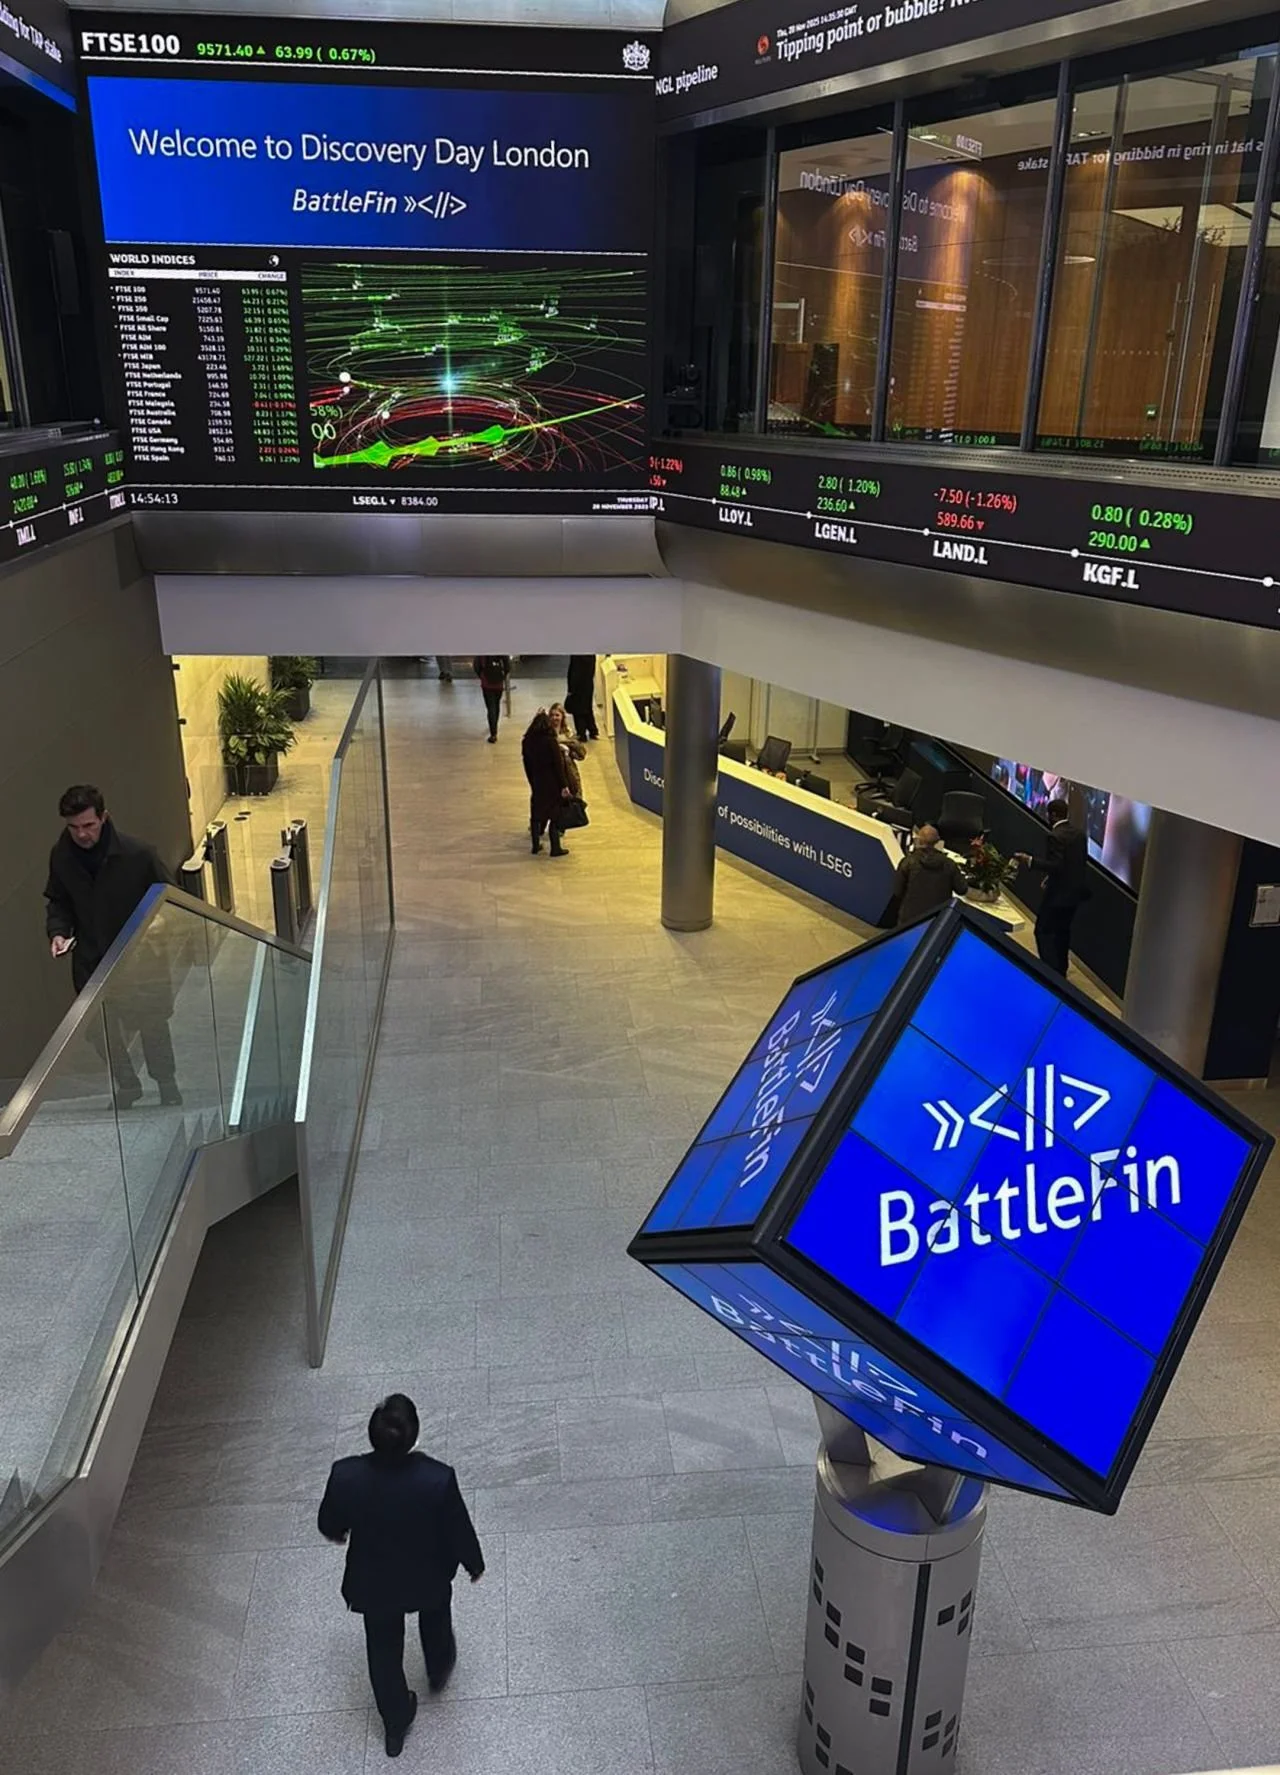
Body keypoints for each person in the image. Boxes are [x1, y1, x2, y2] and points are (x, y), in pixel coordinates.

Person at [318, 1394, 484, 1760]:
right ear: (414, 1436)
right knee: (436, 1619)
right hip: (428, 1575)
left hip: (373, 1582)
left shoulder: (346, 1475)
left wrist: (340, 1533)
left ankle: (395, 1722)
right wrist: (474, 1564)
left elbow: (330, 1524)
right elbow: (457, 1528)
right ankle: (438, 1669)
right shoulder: (437, 1479)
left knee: (382, 1649)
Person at [44, 784, 180, 1107]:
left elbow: (170, 897)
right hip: (92, 957)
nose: (82, 834)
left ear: (104, 817)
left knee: (151, 1022)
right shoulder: (62, 856)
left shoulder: (138, 854)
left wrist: (159, 924)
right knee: (98, 1029)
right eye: (74, 827)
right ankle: (128, 1084)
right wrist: (58, 932)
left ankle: (166, 1083)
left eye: (88, 825)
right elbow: (58, 900)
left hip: (139, 956)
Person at [1016, 797, 1089, 977]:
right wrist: (1050, 878)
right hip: (1074, 895)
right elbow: (1073, 865)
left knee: (1043, 931)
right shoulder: (1079, 835)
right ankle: (1061, 971)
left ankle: (1048, 972)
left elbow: (1056, 865)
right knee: (1063, 932)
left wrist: (1030, 860)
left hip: (1057, 896)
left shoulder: (1055, 836)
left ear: (1053, 815)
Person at [889, 824, 969, 926]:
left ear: (918, 840)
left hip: (908, 919)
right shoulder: (949, 864)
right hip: (937, 919)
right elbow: (962, 889)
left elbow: (897, 891)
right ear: (938, 841)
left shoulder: (908, 862)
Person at [522, 708, 572, 857]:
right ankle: (555, 848)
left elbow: (526, 764)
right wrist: (564, 785)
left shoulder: (527, 742)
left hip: (537, 782)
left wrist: (532, 781)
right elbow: (558, 765)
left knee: (536, 814)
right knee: (554, 815)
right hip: (552, 783)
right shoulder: (550, 741)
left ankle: (535, 845)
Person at [548, 702, 586, 799]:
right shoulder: (547, 733)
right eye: (552, 715)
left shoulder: (568, 733)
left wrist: (567, 748)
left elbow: (581, 754)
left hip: (569, 772)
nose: (554, 718)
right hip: (553, 774)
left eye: (557, 715)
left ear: (562, 717)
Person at [473, 656, 510, 743]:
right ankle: (494, 727)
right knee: (496, 705)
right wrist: (502, 676)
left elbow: (476, 665)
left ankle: (493, 733)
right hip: (499, 682)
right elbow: (507, 666)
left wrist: (481, 675)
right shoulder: (500, 650)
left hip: (486, 683)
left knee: (490, 707)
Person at [565, 655, 598, 741]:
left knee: (578, 710)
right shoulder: (591, 655)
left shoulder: (577, 656)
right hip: (588, 684)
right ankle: (593, 731)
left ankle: (581, 733)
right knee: (588, 707)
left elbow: (574, 672)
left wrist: (571, 689)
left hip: (577, 687)